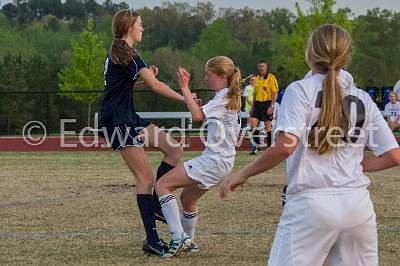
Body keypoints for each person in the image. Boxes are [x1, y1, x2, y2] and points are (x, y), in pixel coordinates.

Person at [220, 24, 400, 265]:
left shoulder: (300, 90)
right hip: (358, 206)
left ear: (310, 53)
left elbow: (286, 146)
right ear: (347, 56)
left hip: (311, 204)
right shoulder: (363, 98)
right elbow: (393, 155)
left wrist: (242, 174)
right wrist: (358, 166)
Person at [99, 9, 190, 256]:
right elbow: (156, 86)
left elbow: (127, 85)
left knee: (173, 148)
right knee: (145, 179)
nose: (143, 28)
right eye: (140, 24)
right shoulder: (126, 54)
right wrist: (186, 98)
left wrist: (145, 78)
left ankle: (157, 205)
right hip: (118, 122)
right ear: (129, 27)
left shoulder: (123, 52)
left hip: (128, 117)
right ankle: (151, 239)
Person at [155, 56, 242, 257]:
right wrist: (196, 104)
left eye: (209, 75)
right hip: (222, 161)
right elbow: (201, 113)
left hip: (215, 160)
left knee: (161, 185)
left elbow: (197, 117)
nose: (205, 79)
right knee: (187, 200)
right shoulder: (226, 95)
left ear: (222, 76)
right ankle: (190, 242)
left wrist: (184, 87)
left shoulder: (224, 96)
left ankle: (179, 238)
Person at [249, 60, 279, 154]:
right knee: (253, 124)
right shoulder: (257, 78)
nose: (261, 68)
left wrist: (272, 106)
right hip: (258, 103)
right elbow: (255, 94)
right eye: (259, 66)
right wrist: (252, 107)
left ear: (266, 67)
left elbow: (275, 92)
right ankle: (259, 145)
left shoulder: (271, 77)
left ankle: (270, 147)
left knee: (267, 126)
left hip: (267, 103)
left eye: (263, 66)